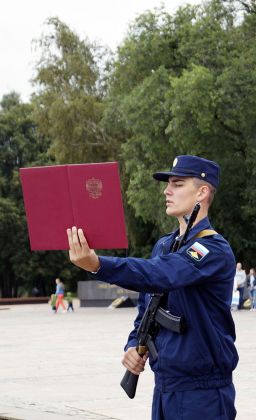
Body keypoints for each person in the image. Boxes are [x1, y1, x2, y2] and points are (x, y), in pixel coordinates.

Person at [67, 155, 239, 420]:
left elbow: (161, 274)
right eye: (168, 184)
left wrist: (98, 264)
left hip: (202, 393)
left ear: (202, 192)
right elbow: (148, 305)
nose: (167, 191)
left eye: (178, 184)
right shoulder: (164, 246)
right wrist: (134, 343)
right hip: (165, 387)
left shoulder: (213, 249)